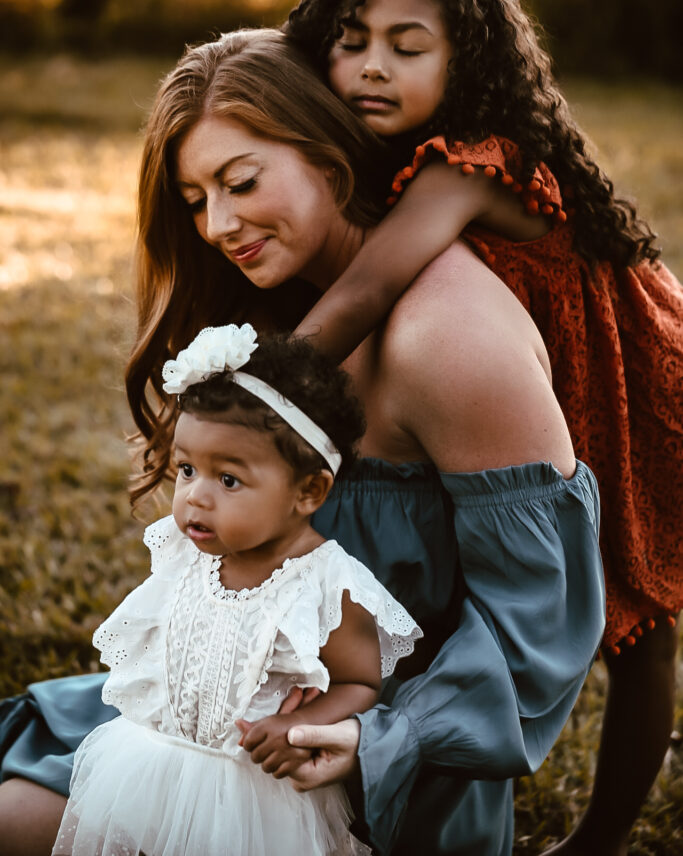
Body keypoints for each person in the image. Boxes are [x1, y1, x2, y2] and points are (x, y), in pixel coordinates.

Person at [0, 28, 605, 856]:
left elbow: (536, 631)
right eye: (194, 198)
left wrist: (372, 739)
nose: (217, 223)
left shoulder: (447, 339)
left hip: (365, 759)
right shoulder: (289, 309)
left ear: (329, 156)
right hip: (217, 716)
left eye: (241, 182)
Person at [284, 0, 683, 856]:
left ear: (467, 63)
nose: (372, 66)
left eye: (407, 45)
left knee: (640, 625)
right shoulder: (390, 159)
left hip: (628, 389)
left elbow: (366, 291)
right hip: (543, 384)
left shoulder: (465, 162)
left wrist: (257, 394)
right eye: (351, 40)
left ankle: (599, 842)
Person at [51, 324, 421, 856]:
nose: (195, 497)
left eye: (227, 479)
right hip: (155, 765)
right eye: (186, 469)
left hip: (253, 798)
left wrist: (299, 723)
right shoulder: (185, 552)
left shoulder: (325, 585)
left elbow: (360, 681)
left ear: (308, 490)